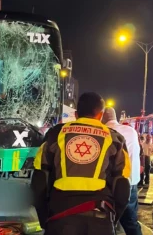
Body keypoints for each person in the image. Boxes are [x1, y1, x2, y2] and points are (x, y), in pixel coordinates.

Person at [32, 92, 131, 235]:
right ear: (101, 115)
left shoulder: (55, 134)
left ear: (76, 114)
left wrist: (44, 219)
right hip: (101, 216)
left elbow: (39, 181)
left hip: (60, 217)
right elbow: (122, 188)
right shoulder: (115, 139)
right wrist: (112, 220)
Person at [102, 107, 142, 235]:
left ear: (102, 117)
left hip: (112, 184)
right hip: (132, 182)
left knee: (107, 222)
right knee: (131, 222)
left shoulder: (104, 132)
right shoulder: (131, 131)